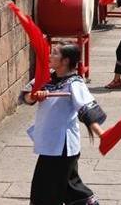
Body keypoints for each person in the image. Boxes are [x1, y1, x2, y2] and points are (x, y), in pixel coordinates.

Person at [20, 42, 106, 205]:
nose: (50, 56)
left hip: (62, 145)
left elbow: (86, 110)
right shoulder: (45, 77)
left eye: (54, 54)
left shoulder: (75, 83)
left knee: (45, 189)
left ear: (65, 61)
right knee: (68, 186)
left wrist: (101, 134)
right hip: (49, 143)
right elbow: (26, 97)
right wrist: (34, 96)